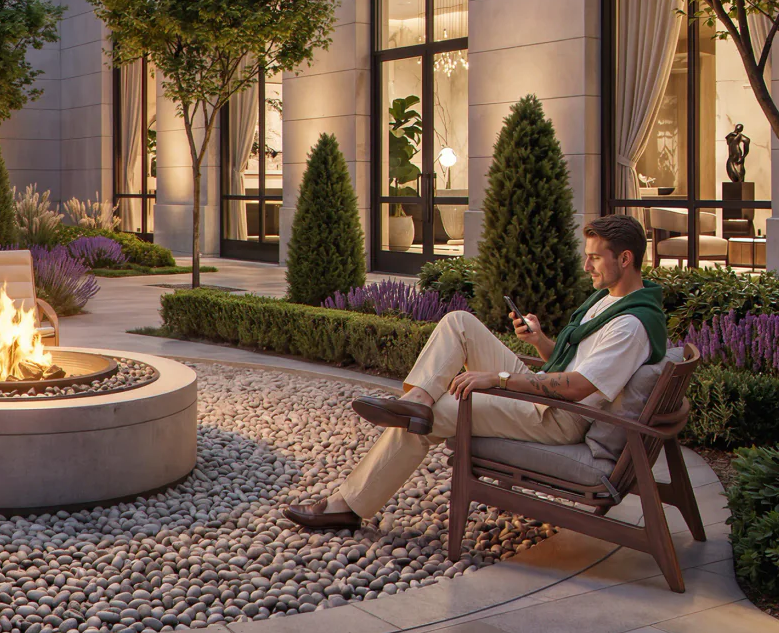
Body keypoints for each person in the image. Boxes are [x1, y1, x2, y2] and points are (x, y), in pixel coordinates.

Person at [282, 214, 667, 530]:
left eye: (595, 258)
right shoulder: (611, 299)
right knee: (458, 322)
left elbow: (578, 387)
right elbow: (576, 363)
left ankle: (348, 504)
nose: (587, 266)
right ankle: (415, 399)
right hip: (549, 393)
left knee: (440, 413)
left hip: (559, 416)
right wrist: (540, 342)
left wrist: (496, 380)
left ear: (626, 258)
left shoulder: (629, 326)